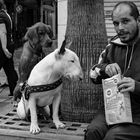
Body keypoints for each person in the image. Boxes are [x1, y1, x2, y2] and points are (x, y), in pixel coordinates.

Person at [85, 1, 140, 140]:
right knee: (92, 132)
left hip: (138, 115)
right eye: (116, 23)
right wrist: (104, 69)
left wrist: (137, 87)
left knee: (113, 137)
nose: (120, 28)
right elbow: (93, 74)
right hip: (113, 109)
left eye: (125, 21)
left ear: (138, 20)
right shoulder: (112, 46)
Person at [0, 0, 18, 96]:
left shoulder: (1, 16)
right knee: (9, 68)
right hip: (10, 45)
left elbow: (2, 32)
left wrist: (4, 48)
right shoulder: (7, 15)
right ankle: (14, 91)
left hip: (3, 47)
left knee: (9, 68)